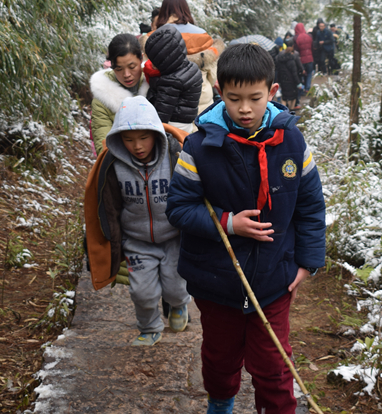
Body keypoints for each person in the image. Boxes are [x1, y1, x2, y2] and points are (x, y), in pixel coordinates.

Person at [166, 43, 326, 414]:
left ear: (271, 92)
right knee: (220, 358)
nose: (244, 109)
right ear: (219, 92)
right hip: (216, 281)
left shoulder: (291, 142)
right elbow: (179, 207)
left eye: (254, 98)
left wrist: (307, 261)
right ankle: (220, 402)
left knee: (274, 365)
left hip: (274, 279)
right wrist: (228, 223)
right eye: (234, 98)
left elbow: (311, 205)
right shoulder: (200, 146)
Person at [98, 96, 192, 346]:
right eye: (128, 140)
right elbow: (109, 206)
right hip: (137, 241)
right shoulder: (113, 165)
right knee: (142, 292)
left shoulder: (175, 156)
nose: (137, 146)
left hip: (173, 237)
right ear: (119, 139)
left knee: (176, 287)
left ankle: (179, 305)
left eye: (144, 138)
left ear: (156, 134)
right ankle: (149, 327)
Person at [151, 0, 224, 113]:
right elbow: (212, 75)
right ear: (186, 10)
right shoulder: (202, 35)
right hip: (201, 93)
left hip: (168, 97)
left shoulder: (158, 37)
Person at [89, 34, 150, 154]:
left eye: (132, 67)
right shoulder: (103, 96)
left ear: (141, 59)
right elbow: (103, 145)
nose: (126, 74)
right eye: (119, 69)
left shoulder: (155, 84)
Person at [144, 24, 203, 133]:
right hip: (188, 121)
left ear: (163, 60)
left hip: (174, 124)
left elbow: (162, 114)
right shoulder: (192, 68)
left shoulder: (171, 80)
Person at [275, 43, 302, 110]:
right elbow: (294, 74)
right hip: (291, 82)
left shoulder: (280, 60)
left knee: (284, 97)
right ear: (291, 53)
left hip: (283, 81)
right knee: (293, 97)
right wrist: (298, 83)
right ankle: (291, 109)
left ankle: (284, 111)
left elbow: (278, 72)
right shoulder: (292, 61)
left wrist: (278, 81)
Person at [293, 23, 314, 94]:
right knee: (309, 74)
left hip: (301, 60)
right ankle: (307, 88)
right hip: (310, 59)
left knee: (301, 74)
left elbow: (296, 50)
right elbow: (312, 47)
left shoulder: (296, 38)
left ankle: (302, 89)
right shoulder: (310, 36)